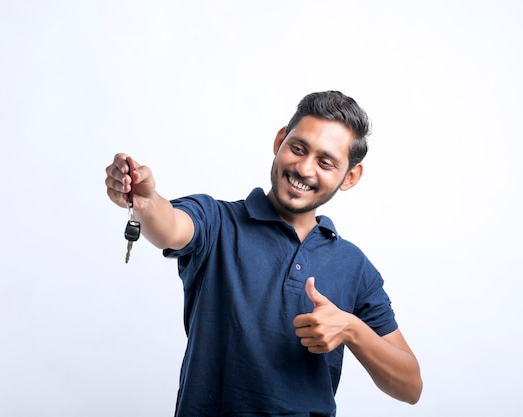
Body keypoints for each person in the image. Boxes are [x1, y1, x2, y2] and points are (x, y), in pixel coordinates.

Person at [105, 91, 422, 416]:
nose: (304, 168)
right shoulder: (216, 221)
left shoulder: (354, 266)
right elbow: (170, 225)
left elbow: (410, 386)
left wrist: (352, 329)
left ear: (350, 177)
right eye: (298, 148)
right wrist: (146, 203)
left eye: (325, 162)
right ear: (280, 140)